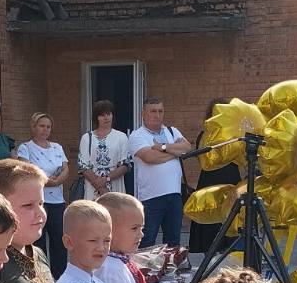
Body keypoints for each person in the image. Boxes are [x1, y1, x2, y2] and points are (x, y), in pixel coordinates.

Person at [17, 112, 74, 278]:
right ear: (34, 127)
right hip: (37, 201)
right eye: (42, 126)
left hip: (57, 201)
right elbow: (27, 170)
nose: (45, 130)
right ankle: (41, 276)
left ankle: (61, 276)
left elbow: (66, 168)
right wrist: (46, 181)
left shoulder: (57, 147)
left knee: (59, 241)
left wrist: (57, 181)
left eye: (48, 127)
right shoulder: (26, 148)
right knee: (38, 240)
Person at [129, 97, 192, 247]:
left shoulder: (172, 131)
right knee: (147, 241)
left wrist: (162, 147)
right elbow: (150, 157)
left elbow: (187, 148)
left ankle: (170, 264)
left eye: (160, 111)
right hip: (151, 197)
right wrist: (175, 152)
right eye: (153, 111)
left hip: (174, 194)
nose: (157, 115)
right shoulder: (137, 135)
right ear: (143, 114)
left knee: (173, 242)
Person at [189, 98, 242, 254]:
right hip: (210, 182)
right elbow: (202, 159)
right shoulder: (204, 135)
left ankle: (229, 255)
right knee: (210, 221)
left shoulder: (234, 134)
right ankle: (210, 257)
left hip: (231, 181)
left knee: (230, 220)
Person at [79, 99, 131, 198]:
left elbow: (125, 165)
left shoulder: (121, 137)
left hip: (115, 188)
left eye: (108, 114)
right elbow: (83, 166)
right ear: (96, 118)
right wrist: (101, 188)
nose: (106, 117)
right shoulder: (86, 138)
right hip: (92, 189)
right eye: (102, 115)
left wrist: (106, 179)